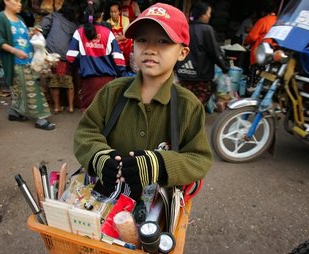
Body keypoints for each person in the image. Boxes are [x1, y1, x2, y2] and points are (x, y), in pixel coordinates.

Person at [73, 3, 212, 201]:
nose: (150, 49)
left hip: (158, 205)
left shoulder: (188, 105)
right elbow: (86, 133)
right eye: (142, 40)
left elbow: (199, 159)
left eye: (163, 41)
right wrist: (99, 158)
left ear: (183, 52)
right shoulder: (112, 91)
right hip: (105, 199)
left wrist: (159, 165)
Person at [0, 0, 55, 130]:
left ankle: (15, 112)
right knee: (34, 88)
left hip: (28, 60)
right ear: (6, 2)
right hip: (15, 62)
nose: (20, 4)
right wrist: (15, 51)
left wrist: (31, 33)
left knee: (19, 89)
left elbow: (23, 36)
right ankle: (40, 118)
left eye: (20, 1)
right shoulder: (0, 18)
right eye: (16, 1)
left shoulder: (19, 18)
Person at [66, 0, 127, 110]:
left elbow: (70, 58)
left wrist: (83, 62)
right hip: (107, 83)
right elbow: (119, 60)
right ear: (102, 14)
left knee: (89, 117)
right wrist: (124, 77)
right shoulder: (108, 33)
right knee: (105, 115)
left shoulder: (79, 32)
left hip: (87, 83)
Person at [176, 2, 229, 105]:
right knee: (197, 104)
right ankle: (191, 120)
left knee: (184, 102)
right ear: (202, 14)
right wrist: (224, 67)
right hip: (201, 76)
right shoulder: (207, 29)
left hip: (183, 74)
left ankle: (184, 119)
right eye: (208, 13)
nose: (209, 16)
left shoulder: (185, 28)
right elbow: (214, 52)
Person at [40, 1, 79, 114]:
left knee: (54, 82)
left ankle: (57, 107)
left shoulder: (53, 16)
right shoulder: (74, 24)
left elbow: (42, 29)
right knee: (68, 82)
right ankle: (71, 107)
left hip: (52, 56)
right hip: (67, 57)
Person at [244, 3, 277, 86]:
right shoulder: (280, 21)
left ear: (264, 12)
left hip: (261, 53)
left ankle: (253, 91)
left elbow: (252, 36)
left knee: (255, 79)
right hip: (275, 54)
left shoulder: (263, 21)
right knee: (269, 78)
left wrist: (246, 42)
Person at [107, 2, 132, 69]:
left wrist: (117, 39)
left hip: (125, 43)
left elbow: (126, 35)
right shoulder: (108, 22)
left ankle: (129, 64)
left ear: (119, 11)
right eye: (111, 12)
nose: (113, 14)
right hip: (115, 44)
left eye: (115, 12)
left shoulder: (125, 19)